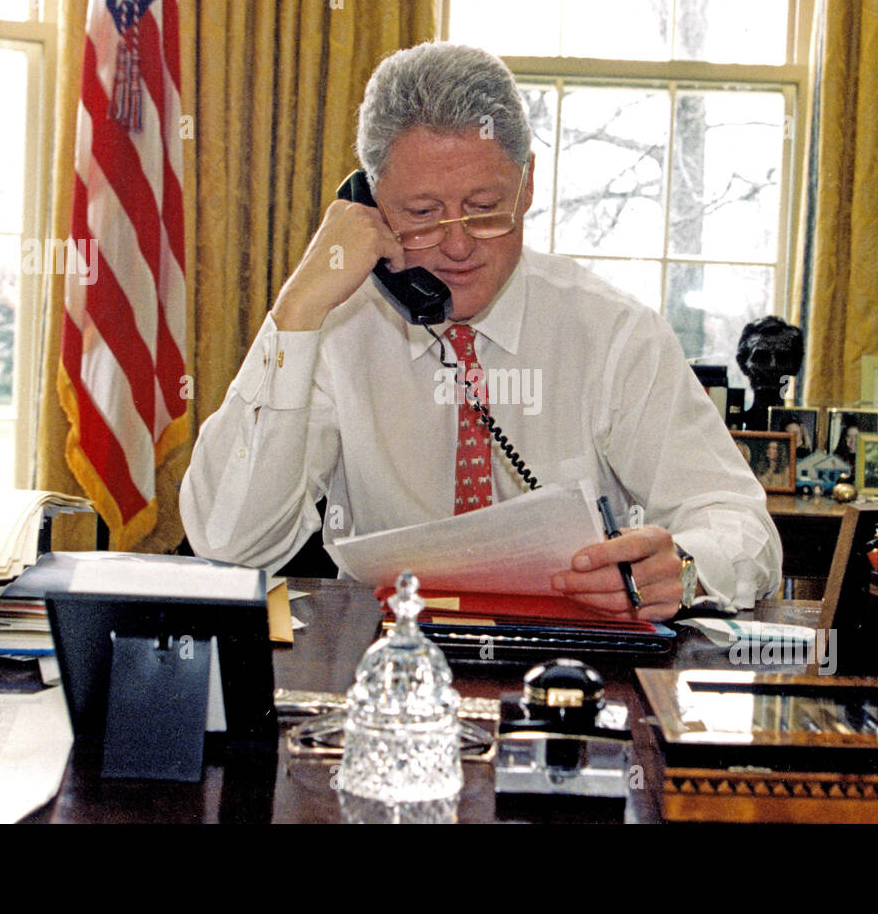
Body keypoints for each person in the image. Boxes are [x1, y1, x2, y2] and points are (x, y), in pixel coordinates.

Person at [179, 43, 782, 620]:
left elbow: (744, 529)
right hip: (388, 672)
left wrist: (682, 568)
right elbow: (231, 546)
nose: (458, 246)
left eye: (485, 207)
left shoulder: (616, 334)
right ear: (368, 201)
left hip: (576, 679)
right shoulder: (335, 327)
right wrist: (295, 312)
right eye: (421, 214)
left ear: (528, 186)